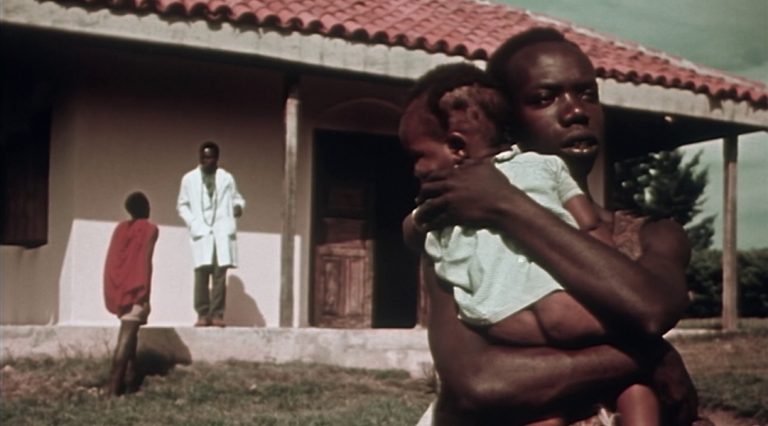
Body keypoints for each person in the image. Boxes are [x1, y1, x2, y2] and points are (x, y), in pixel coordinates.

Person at [404, 28, 704, 424]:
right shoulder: (465, 238)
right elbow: (479, 383)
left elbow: (652, 309)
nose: (575, 111)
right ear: (504, 122)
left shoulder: (654, 233)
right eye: (544, 98)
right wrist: (649, 356)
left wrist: (506, 204)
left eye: (587, 94)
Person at [177, 141, 245, 327]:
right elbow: (182, 205)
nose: (207, 161)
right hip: (202, 232)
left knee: (219, 275)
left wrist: (238, 207)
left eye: (211, 157)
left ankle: (217, 314)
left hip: (221, 232)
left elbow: (237, 198)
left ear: (217, 158)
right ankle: (202, 314)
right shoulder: (189, 179)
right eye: (204, 157)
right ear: (200, 158)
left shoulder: (226, 178)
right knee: (201, 274)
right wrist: (193, 224)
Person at [103, 191, 159, 396]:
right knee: (126, 338)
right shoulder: (150, 229)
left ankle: (130, 382)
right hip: (136, 288)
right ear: (145, 209)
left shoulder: (120, 230)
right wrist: (144, 293)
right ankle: (113, 387)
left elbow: (114, 260)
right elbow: (144, 261)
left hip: (121, 288)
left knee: (131, 335)